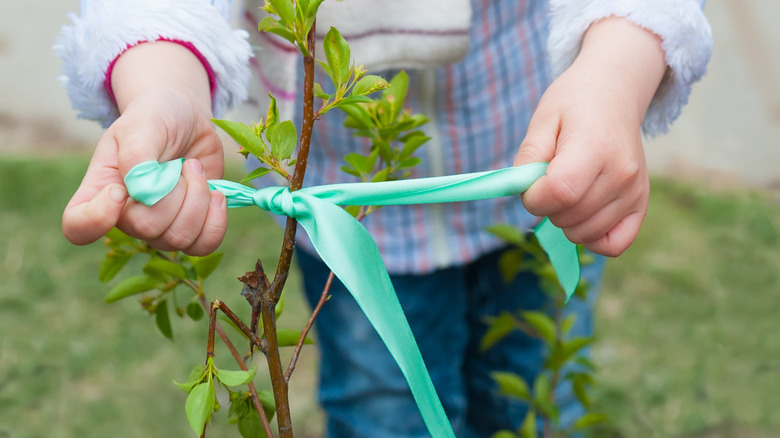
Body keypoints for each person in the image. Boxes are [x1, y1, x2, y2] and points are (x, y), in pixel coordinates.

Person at [55, 0, 713, 436]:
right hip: (358, 223)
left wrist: (616, 68)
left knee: (539, 404)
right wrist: (163, 84)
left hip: (541, 169)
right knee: (385, 417)